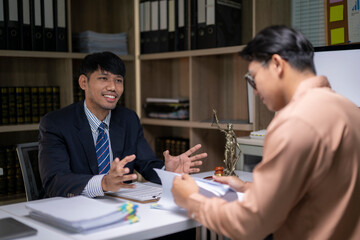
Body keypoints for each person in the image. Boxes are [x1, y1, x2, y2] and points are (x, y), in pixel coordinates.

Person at [171, 25, 360, 239]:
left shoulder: (294, 120)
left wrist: (192, 200)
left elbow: (250, 224)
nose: (255, 90)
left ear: (277, 64)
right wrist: (247, 188)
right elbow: (320, 194)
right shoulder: (350, 110)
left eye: (254, 77)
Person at [38, 51, 207, 198]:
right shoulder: (56, 123)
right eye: (103, 78)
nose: (113, 87)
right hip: (73, 207)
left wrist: (167, 171)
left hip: (119, 204)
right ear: (83, 83)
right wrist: (103, 183)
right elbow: (55, 181)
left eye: (118, 80)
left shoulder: (128, 119)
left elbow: (147, 164)